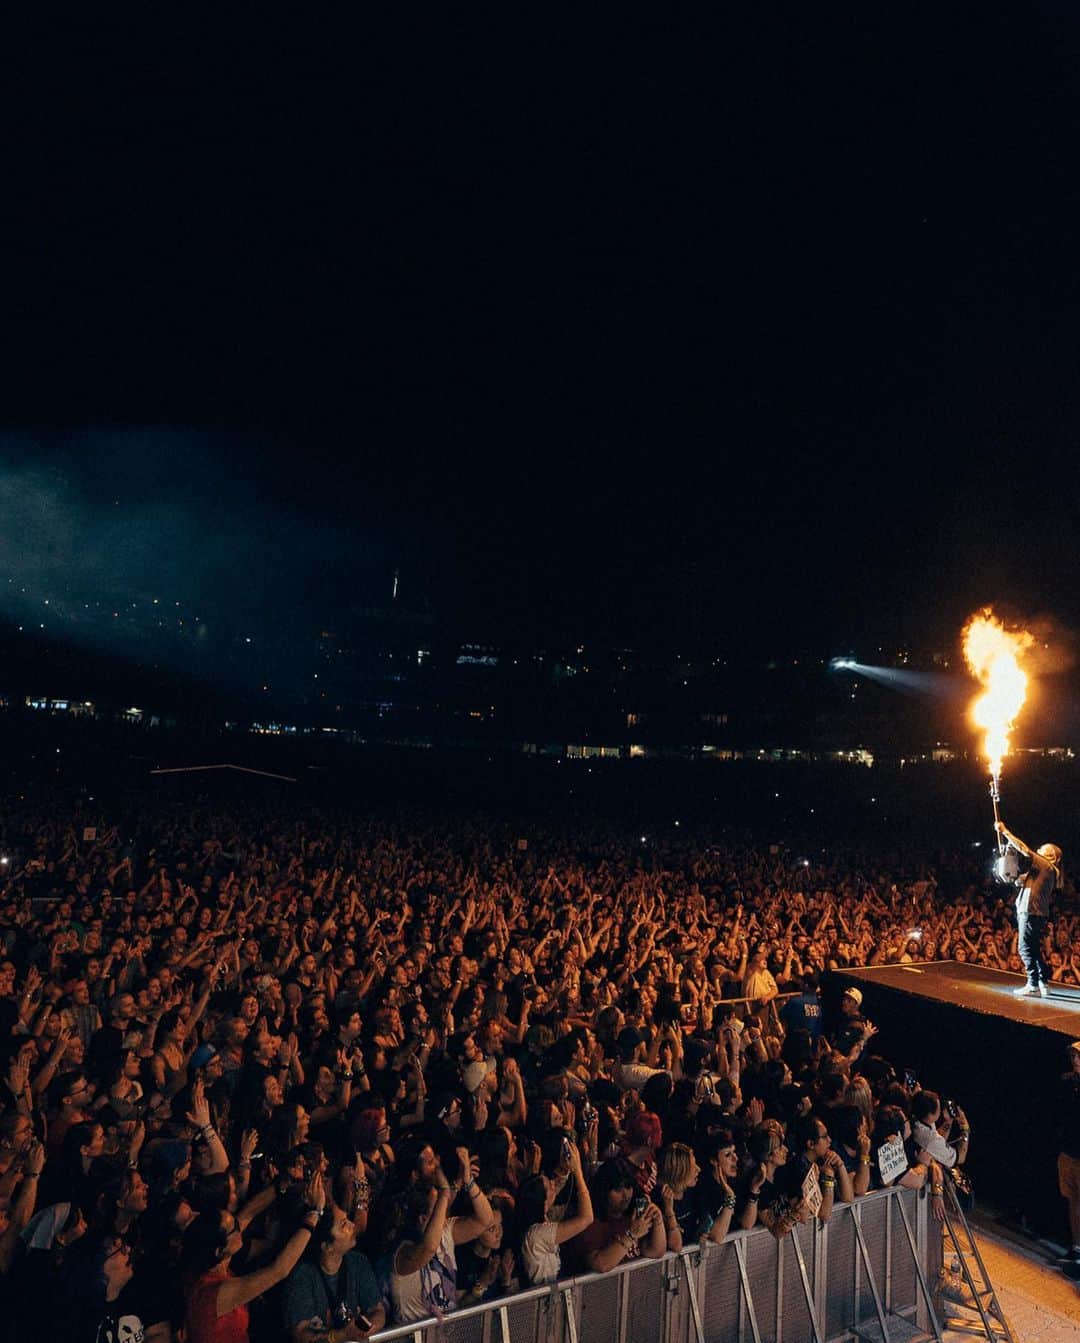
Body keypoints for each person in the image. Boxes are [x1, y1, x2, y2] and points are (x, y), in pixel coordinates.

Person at [282, 1203, 385, 1342]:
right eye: (344, 1225)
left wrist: (368, 1329)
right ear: (327, 1247)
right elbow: (301, 1335)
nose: (352, 1225)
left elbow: (377, 1310)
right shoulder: (301, 1275)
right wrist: (342, 1335)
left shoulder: (358, 1262)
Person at [995, 820, 1061, 997]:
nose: (1039, 849)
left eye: (1044, 849)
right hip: (1035, 912)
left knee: (1024, 948)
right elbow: (1018, 879)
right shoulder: (1042, 871)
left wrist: (1005, 832)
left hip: (1031, 911)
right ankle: (1042, 982)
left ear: (1051, 856)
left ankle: (1032, 985)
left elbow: (1024, 848)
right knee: (1032, 948)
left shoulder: (1046, 865)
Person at [1056, 1041, 1080, 1278]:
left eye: (1079, 1057)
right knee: (1072, 1200)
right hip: (1068, 1152)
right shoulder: (1067, 1083)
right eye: (1073, 1056)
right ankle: (1076, 1248)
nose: (1075, 1061)